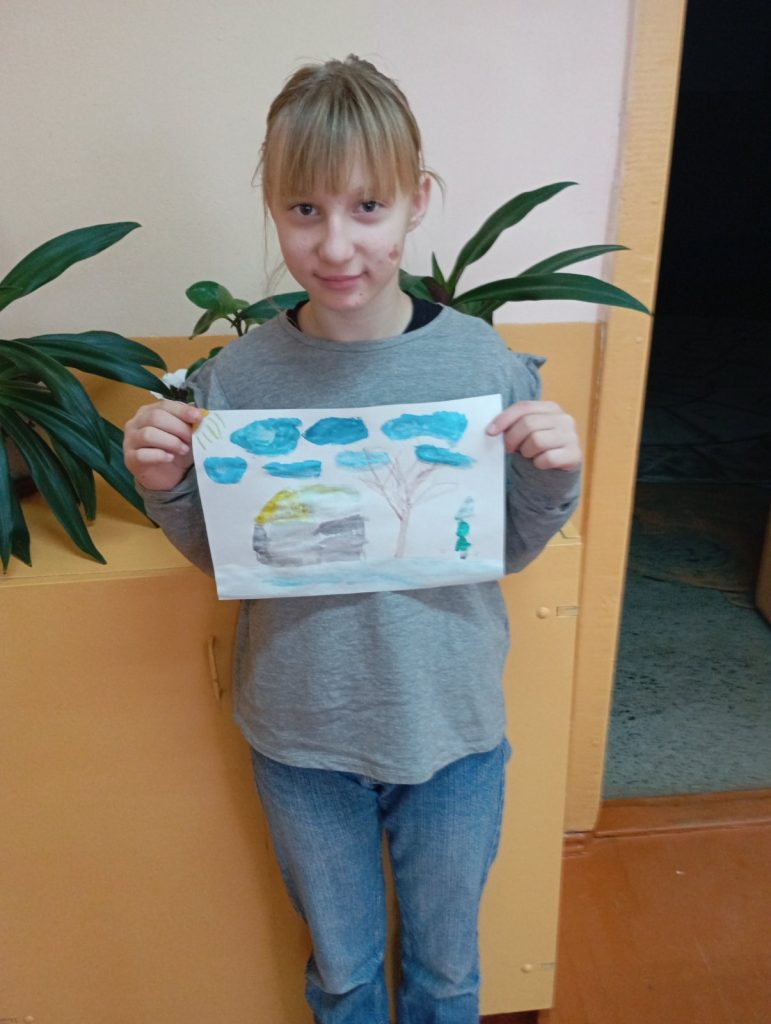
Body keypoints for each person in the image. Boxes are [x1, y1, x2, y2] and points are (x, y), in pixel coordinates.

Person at [123, 55, 582, 1024]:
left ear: (417, 203)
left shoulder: (480, 361)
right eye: (304, 210)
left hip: (451, 727)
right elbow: (233, 555)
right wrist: (169, 488)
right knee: (342, 974)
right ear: (273, 208)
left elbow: (501, 548)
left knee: (448, 974)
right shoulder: (238, 378)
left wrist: (551, 475)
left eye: (367, 206)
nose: (336, 245)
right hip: (302, 733)